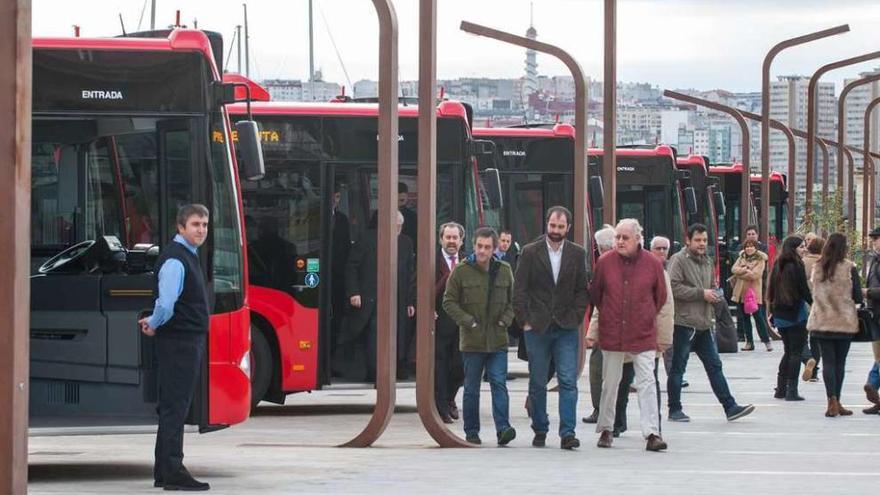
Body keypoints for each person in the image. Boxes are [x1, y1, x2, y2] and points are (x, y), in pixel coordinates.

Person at [139, 204, 212, 491]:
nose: (201, 230)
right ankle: (173, 472)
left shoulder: (185, 255)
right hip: (181, 342)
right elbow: (167, 303)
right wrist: (155, 322)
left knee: (171, 405)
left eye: (205, 224)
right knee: (176, 407)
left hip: (179, 340)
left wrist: (156, 322)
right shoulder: (176, 259)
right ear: (180, 227)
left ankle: (163, 471)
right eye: (195, 224)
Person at [513, 206, 590, 450]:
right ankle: (540, 428)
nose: (555, 231)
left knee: (568, 380)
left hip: (566, 327)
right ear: (546, 225)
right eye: (552, 226)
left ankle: (568, 432)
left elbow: (582, 290)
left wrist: (577, 316)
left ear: (568, 227)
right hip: (537, 327)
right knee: (537, 382)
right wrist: (524, 320)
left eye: (560, 227)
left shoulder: (577, 254)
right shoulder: (529, 252)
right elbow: (520, 289)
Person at [589, 219, 669, 452]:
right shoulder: (604, 262)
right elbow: (596, 294)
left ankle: (652, 433)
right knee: (610, 383)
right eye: (617, 237)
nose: (620, 241)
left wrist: (645, 316)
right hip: (612, 332)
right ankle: (606, 429)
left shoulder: (653, 264)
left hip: (642, 333)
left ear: (638, 239)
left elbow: (660, 296)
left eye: (625, 237)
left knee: (647, 383)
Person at [667, 223, 755, 423]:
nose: (702, 244)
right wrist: (701, 294)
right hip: (684, 323)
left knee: (715, 366)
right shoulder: (678, 260)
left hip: (705, 324)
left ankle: (730, 407)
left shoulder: (707, 261)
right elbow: (672, 287)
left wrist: (715, 293)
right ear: (688, 240)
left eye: (704, 240)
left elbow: (710, 286)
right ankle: (674, 409)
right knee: (678, 367)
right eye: (698, 240)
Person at [443, 227, 517, 445]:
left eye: (487, 247)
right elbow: (449, 302)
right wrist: (468, 321)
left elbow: (515, 301)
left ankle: (503, 428)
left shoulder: (504, 270)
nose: (483, 251)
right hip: (472, 340)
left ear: (494, 249)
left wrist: (506, 319)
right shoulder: (461, 271)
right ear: (473, 246)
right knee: (472, 387)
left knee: (498, 383)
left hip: (498, 339)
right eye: (479, 246)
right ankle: (472, 431)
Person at [339, 211, 415, 382]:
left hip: (397, 299)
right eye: (395, 226)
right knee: (374, 335)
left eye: (400, 227)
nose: (398, 230)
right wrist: (354, 292)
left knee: (397, 335)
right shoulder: (367, 239)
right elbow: (352, 266)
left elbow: (410, 274)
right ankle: (375, 373)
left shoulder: (406, 243)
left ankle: (395, 369)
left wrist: (410, 301)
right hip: (371, 298)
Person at [807, 233, 863, 417]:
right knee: (840, 363)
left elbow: (813, 291)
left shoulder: (817, 267)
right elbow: (857, 296)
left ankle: (831, 399)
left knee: (828, 362)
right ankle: (837, 400)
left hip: (821, 320)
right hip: (843, 321)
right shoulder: (849, 268)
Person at [766, 236, 812, 402]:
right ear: (793, 248)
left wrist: (771, 312)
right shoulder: (797, 265)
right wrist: (815, 305)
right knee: (796, 353)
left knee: (788, 351)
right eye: (801, 247)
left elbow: (770, 290)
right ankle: (791, 391)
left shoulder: (778, 264)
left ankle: (780, 388)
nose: (804, 249)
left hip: (780, 315)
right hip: (795, 315)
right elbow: (804, 290)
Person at [582, 225, 616, 425]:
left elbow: (598, 304)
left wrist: (592, 332)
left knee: (597, 370)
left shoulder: (604, 266)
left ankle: (600, 410)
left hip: (607, 330)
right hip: (617, 329)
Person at [435, 222, 466, 423]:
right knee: (439, 367)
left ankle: (449, 399)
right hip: (438, 323)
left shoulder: (468, 261)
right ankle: (441, 408)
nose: (452, 241)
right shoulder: (430, 260)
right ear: (441, 239)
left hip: (463, 324)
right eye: (448, 238)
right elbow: (418, 287)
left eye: (455, 238)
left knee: (460, 367)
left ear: (461, 241)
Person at [731, 239, 773, 351]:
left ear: (756, 247)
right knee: (745, 319)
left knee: (758, 318)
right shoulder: (742, 257)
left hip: (753, 293)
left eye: (751, 246)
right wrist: (745, 270)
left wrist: (741, 274)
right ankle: (749, 342)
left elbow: (756, 275)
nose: (749, 249)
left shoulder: (760, 259)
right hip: (741, 292)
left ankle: (767, 341)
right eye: (747, 246)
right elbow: (733, 269)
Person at [801, 236, 824, 382]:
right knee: (816, 340)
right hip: (819, 305)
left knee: (802, 339)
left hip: (803, 304)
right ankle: (814, 372)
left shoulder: (802, 262)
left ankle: (808, 359)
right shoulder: (824, 263)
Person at [863, 228, 880, 414]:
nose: (874, 241)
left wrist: (868, 292)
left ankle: (872, 383)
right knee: (879, 356)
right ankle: (872, 385)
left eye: (876, 238)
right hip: (875, 315)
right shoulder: (875, 260)